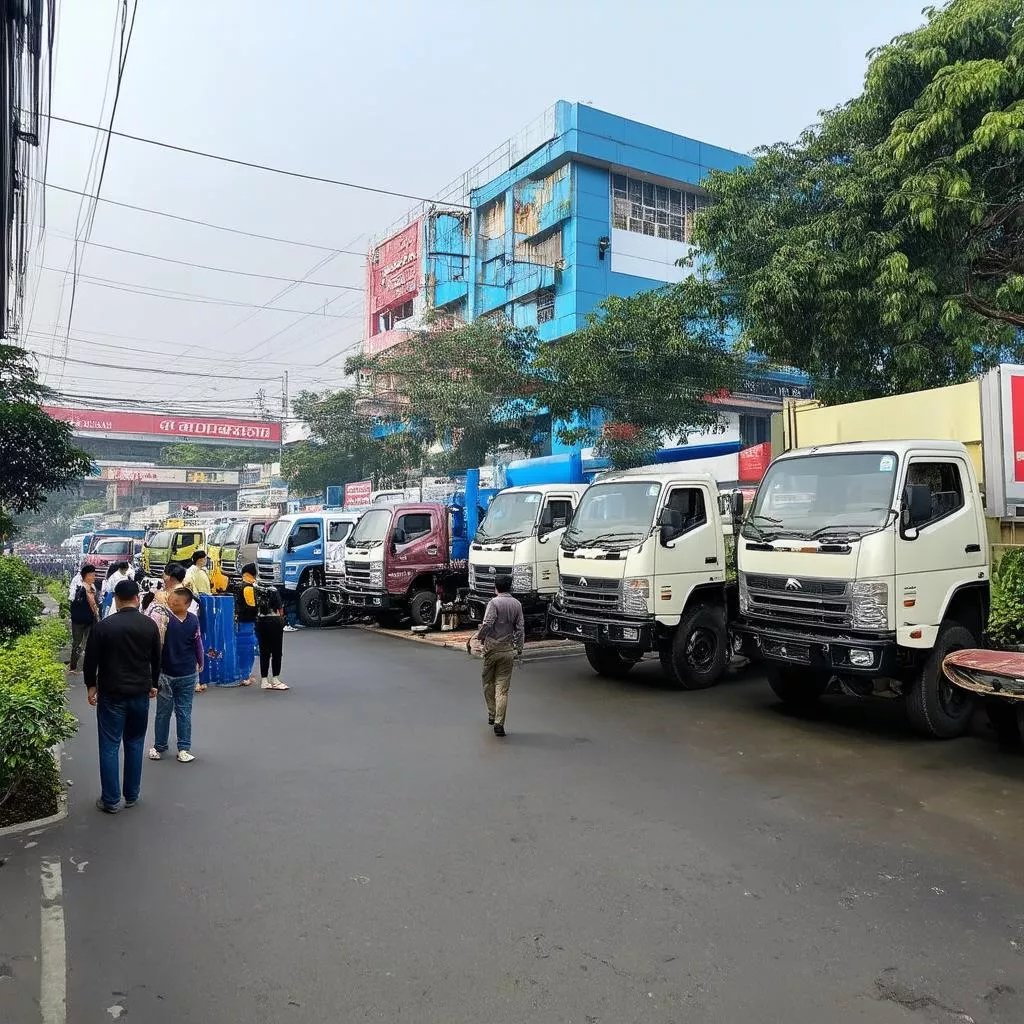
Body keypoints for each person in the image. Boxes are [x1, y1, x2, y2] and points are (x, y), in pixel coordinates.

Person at [83, 579, 161, 813]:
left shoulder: (104, 627)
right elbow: (156, 659)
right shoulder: (149, 626)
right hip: (140, 692)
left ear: (116, 600)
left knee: (109, 745)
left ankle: (110, 799)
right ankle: (131, 795)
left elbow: (91, 661)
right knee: (135, 743)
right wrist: (154, 684)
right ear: (137, 599)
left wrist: (91, 686)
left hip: (112, 694)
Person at [149, 587, 204, 763]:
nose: (171, 603)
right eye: (171, 600)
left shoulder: (193, 620)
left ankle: (184, 747)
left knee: (183, 711)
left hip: (186, 673)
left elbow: (198, 643)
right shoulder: (163, 618)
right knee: (163, 712)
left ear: (187, 605)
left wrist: (200, 662)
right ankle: (159, 745)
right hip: (165, 672)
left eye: (176, 602)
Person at [468, 574, 524, 737]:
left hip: (492, 649)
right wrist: (518, 648)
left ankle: (492, 713)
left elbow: (488, 623)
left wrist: (479, 636)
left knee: (487, 683)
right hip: (507, 650)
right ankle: (500, 722)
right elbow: (520, 629)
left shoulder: (494, 603)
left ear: (496, 587)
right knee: (503, 689)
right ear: (510, 587)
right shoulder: (517, 604)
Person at [255, 586, 289, 690]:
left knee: (264, 652)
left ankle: (264, 680)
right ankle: (275, 679)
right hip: (275, 621)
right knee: (276, 652)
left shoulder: (259, 596)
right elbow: (280, 610)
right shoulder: (275, 594)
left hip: (261, 621)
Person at [69, 564, 100, 672]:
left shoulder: (92, 588)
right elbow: (73, 601)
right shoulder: (80, 589)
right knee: (77, 644)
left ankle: (86, 666)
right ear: (86, 576)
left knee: (89, 643)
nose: (94, 577)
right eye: (92, 575)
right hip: (79, 621)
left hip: (90, 621)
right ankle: (73, 666)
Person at [233, 563, 260, 686]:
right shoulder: (248, 587)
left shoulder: (239, 586)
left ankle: (244, 674)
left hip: (240, 621)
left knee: (242, 648)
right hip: (247, 622)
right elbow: (252, 606)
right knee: (247, 648)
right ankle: (244, 676)